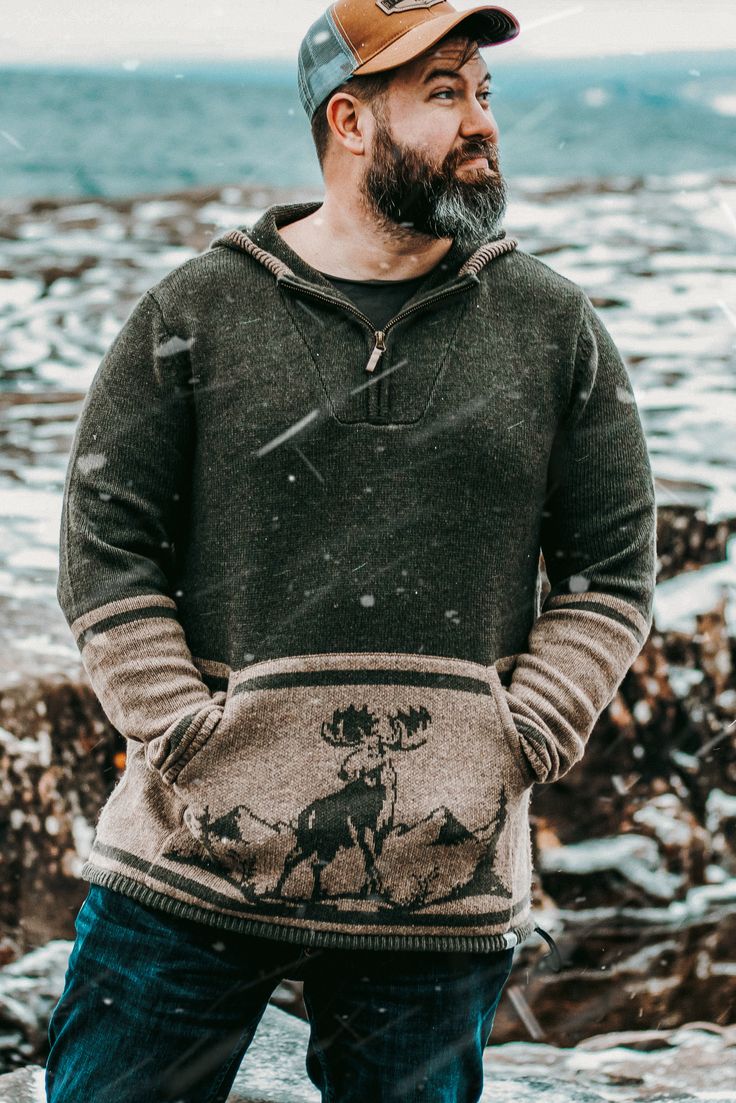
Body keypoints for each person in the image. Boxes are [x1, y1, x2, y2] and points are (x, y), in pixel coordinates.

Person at [45, 0, 657, 1100]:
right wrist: (187, 736)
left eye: (483, 93)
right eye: (442, 94)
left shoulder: (552, 327)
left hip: (439, 883)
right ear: (349, 120)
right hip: (189, 867)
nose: (480, 123)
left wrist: (516, 738)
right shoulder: (193, 313)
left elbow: (611, 568)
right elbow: (106, 550)